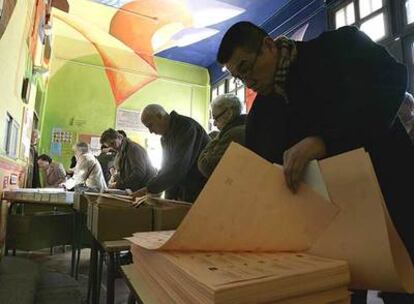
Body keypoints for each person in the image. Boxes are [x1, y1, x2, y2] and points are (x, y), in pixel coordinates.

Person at [217, 22, 414, 303]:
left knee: (403, 281)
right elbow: (265, 169)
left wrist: (324, 140)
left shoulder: (338, 48)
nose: (247, 82)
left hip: (388, 189)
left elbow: (390, 81)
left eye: (247, 68)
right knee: (340, 288)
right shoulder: (262, 113)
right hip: (328, 222)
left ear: (269, 46)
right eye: (239, 77)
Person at [133, 104, 210, 202]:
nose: (150, 131)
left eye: (150, 125)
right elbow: (166, 167)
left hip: (200, 189)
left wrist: (149, 189)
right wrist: (167, 198)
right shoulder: (165, 138)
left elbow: (179, 167)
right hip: (185, 191)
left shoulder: (186, 127)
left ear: (160, 116)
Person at [198, 94, 246, 177]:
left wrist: (216, 138)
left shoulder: (233, 134)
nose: (214, 123)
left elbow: (206, 166)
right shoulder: (244, 127)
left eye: (215, 117)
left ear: (228, 114)